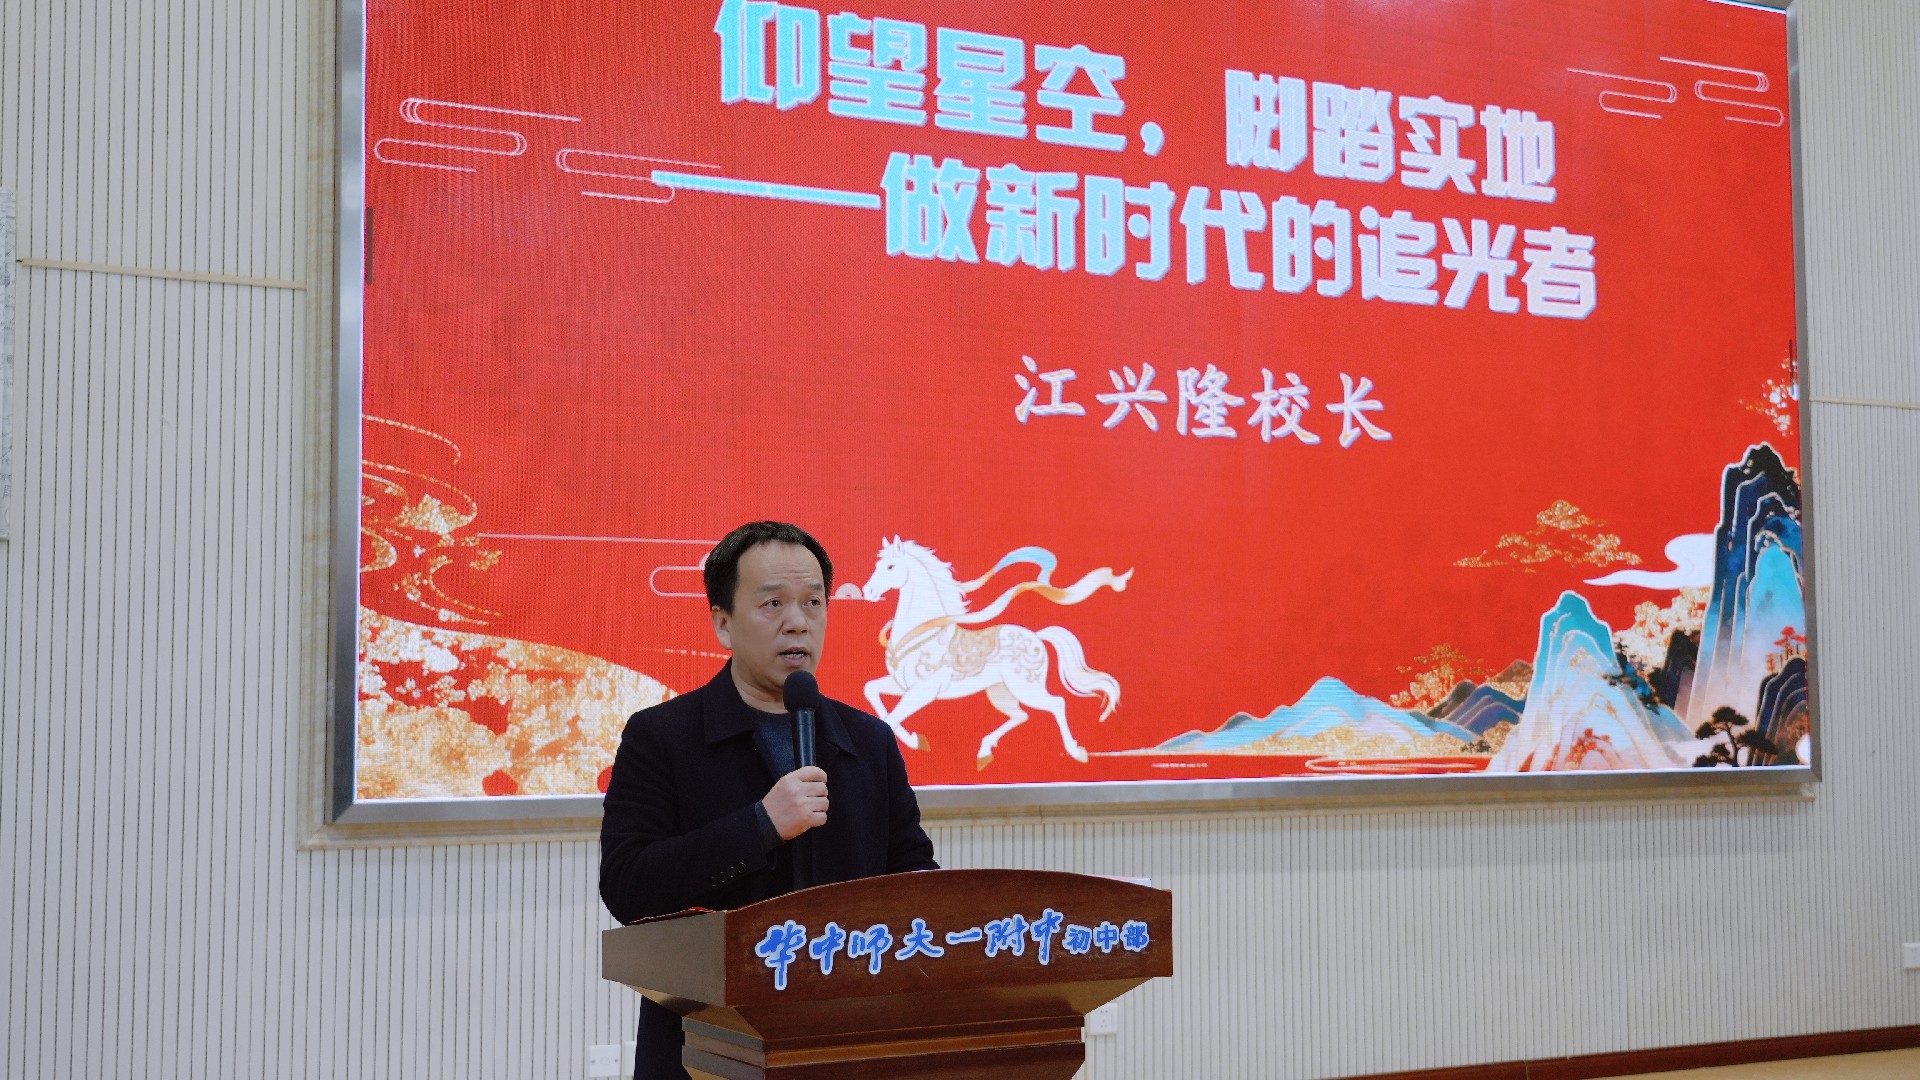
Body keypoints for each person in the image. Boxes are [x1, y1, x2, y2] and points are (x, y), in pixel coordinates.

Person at [600, 520, 939, 1079]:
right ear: (723, 624)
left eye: (813, 602)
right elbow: (628, 887)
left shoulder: (868, 741)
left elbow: (913, 878)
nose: (797, 622)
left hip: (846, 1043)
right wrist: (761, 824)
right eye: (773, 603)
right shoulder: (662, 737)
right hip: (706, 1048)